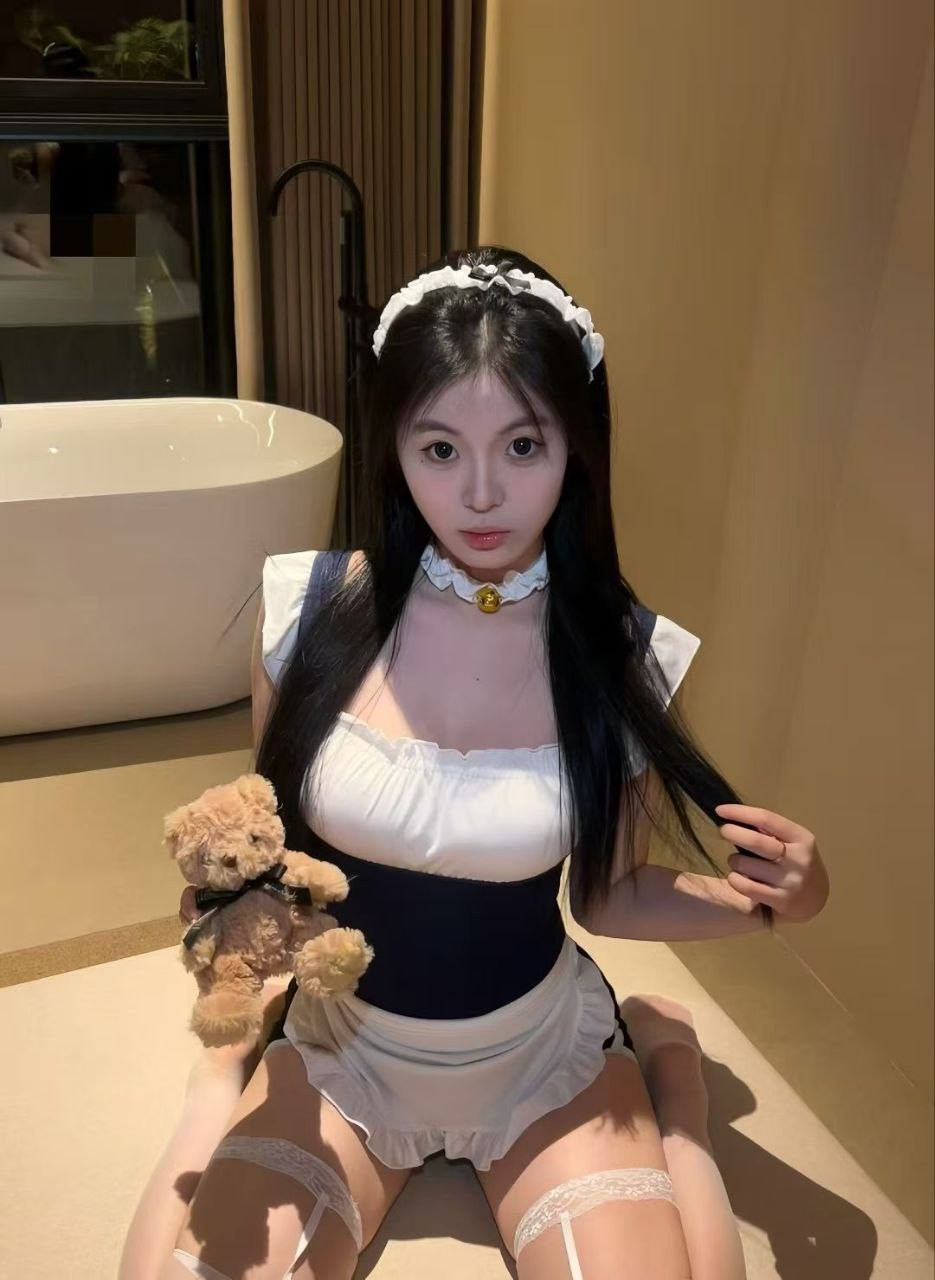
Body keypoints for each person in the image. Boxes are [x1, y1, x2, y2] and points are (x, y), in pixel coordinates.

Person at [120, 246, 830, 1280]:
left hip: (540, 1061)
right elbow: (272, 849)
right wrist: (227, 909)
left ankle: (672, 1086)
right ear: (394, 446)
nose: (483, 492)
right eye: (440, 447)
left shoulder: (621, 654)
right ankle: (223, 1074)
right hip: (342, 1050)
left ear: (576, 447)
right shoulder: (305, 610)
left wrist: (776, 904)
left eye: (524, 444)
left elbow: (609, 894)